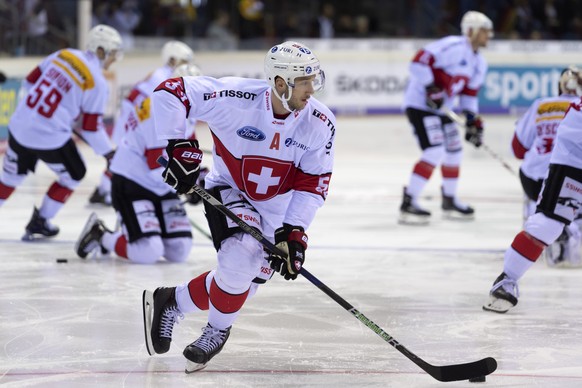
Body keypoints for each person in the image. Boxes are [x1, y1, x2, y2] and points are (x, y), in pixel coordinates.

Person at [142, 41, 334, 372]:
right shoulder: (236, 97)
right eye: (303, 81)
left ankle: (171, 301)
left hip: (279, 208)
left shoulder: (320, 122)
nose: (311, 88)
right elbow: (170, 91)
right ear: (279, 83)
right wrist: (178, 144)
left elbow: (312, 183)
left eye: (313, 79)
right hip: (230, 188)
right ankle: (216, 332)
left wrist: (294, 231)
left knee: (248, 283)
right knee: (238, 259)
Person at [0, 25, 122, 241]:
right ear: (101, 50)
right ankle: (41, 221)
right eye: (112, 53)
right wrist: (108, 154)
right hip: (49, 136)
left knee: (9, 178)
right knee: (75, 173)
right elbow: (91, 128)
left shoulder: (63, 55)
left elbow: (29, 82)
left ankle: (40, 220)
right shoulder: (96, 82)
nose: (114, 59)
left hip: (20, 125)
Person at [75, 64, 204, 264]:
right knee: (147, 251)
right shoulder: (158, 113)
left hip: (160, 185)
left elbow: (186, 151)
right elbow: (158, 166)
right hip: (133, 183)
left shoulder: (183, 107)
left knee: (179, 250)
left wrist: (199, 177)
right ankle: (100, 234)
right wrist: (191, 186)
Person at [483, 88, 582, 314]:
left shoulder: (543, 104)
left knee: (548, 223)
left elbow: (518, 148)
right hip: (574, 156)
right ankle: (506, 280)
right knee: (548, 223)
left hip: (547, 166)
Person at [398, 10, 493, 225]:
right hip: (420, 105)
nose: (489, 36)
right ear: (471, 31)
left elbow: (469, 94)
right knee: (435, 150)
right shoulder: (453, 46)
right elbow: (418, 62)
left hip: (442, 109)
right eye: (485, 31)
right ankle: (409, 201)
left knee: (454, 151)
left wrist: (472, 120)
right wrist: (431, 87)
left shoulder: (480, 63)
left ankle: (449, 199)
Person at [89, 40, 195, 206]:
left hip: (138, 116)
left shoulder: (164, 74)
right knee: (130, 152)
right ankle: (105, 188)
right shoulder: (163, 76)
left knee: (129, 152)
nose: (186, 65)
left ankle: (103, 189)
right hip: (136, 117)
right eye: (183, 61)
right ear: (173, 59)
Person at [511, 66, 582, 267]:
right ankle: (571, 228)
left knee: (543, 210)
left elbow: (517, 148)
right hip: (570, 179)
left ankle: (535, 228)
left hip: (533, 179)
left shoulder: (541, 105)